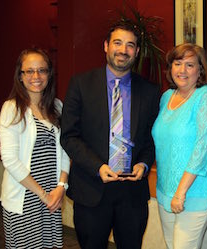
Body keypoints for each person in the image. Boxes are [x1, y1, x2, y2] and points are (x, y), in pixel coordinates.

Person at [60, 20, 160, 249]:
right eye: (117, 43)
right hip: (91, 190)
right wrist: (97, 166)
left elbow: (151, 138)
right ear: (106, 46)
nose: (123, 50)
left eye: (130, 45)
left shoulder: (150, 91)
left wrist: (144, 164)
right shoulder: (80, 84)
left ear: (136, 51)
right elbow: (69, 136)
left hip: (132, 194)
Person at [0, 48, 70, 249]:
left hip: (51, 198)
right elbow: (10, 160)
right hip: (25, 199)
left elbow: (65, 150)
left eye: (42, 70)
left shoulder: (57, 107)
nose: (36, 76)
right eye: (29, 71)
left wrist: (61, 187)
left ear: (49, 74)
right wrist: (43, 195)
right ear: (20, 76)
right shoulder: (12, 108)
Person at [152, 43, 207, 249]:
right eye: (177, 63)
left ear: (200, 70)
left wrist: (181, 192)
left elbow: (204, 147)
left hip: (193, 192)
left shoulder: (205, 96)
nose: (182, 70)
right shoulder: (166, 97)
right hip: (165, 191)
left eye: (190, 65)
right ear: (170, 68)